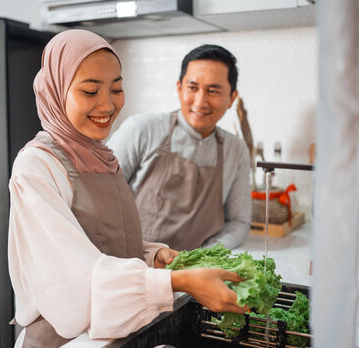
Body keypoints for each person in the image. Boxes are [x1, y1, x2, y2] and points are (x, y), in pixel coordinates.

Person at [8, 30, 248, 348]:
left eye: (117, 89)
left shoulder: (103, 156)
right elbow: (74, 279)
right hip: (63, 346)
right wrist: (177, 282)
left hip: (117, 335)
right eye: (90, 91)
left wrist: (150, 255)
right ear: (56, 91)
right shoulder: (36, 166)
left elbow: (101, 240)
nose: (107, 104)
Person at [107, 44, 251, 251]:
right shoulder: (141, 129)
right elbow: (101, 198)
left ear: (232, 98)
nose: (200, 102)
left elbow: (239, 222)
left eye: (213, 91)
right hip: (132, 261)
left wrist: (200, 259)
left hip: (195, 273)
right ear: (179, 88)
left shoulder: (235, 150)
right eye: (192, 88)